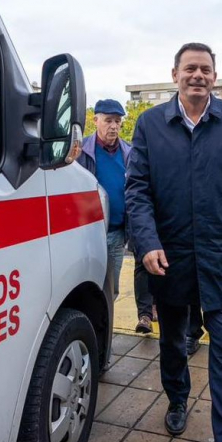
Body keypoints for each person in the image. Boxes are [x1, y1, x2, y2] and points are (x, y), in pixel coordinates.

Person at [126, 43, 222, 442]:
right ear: (175, 75)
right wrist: (146, 243)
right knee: (173, 342)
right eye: (191, 69)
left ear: (215, 76)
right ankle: (177, 396)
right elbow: (138, 191)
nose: (198, 76)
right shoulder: (150, 124)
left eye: (206, 69)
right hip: (170, 261)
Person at [78, 99, 131, 299]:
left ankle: (105, 330)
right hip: (87, 234)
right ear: (95, 120)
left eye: (117, 121)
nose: (114, 126)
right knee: (86, 287)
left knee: (111, 290)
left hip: (116, 232)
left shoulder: (128, 152)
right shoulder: (80, 150)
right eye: (108, 120)